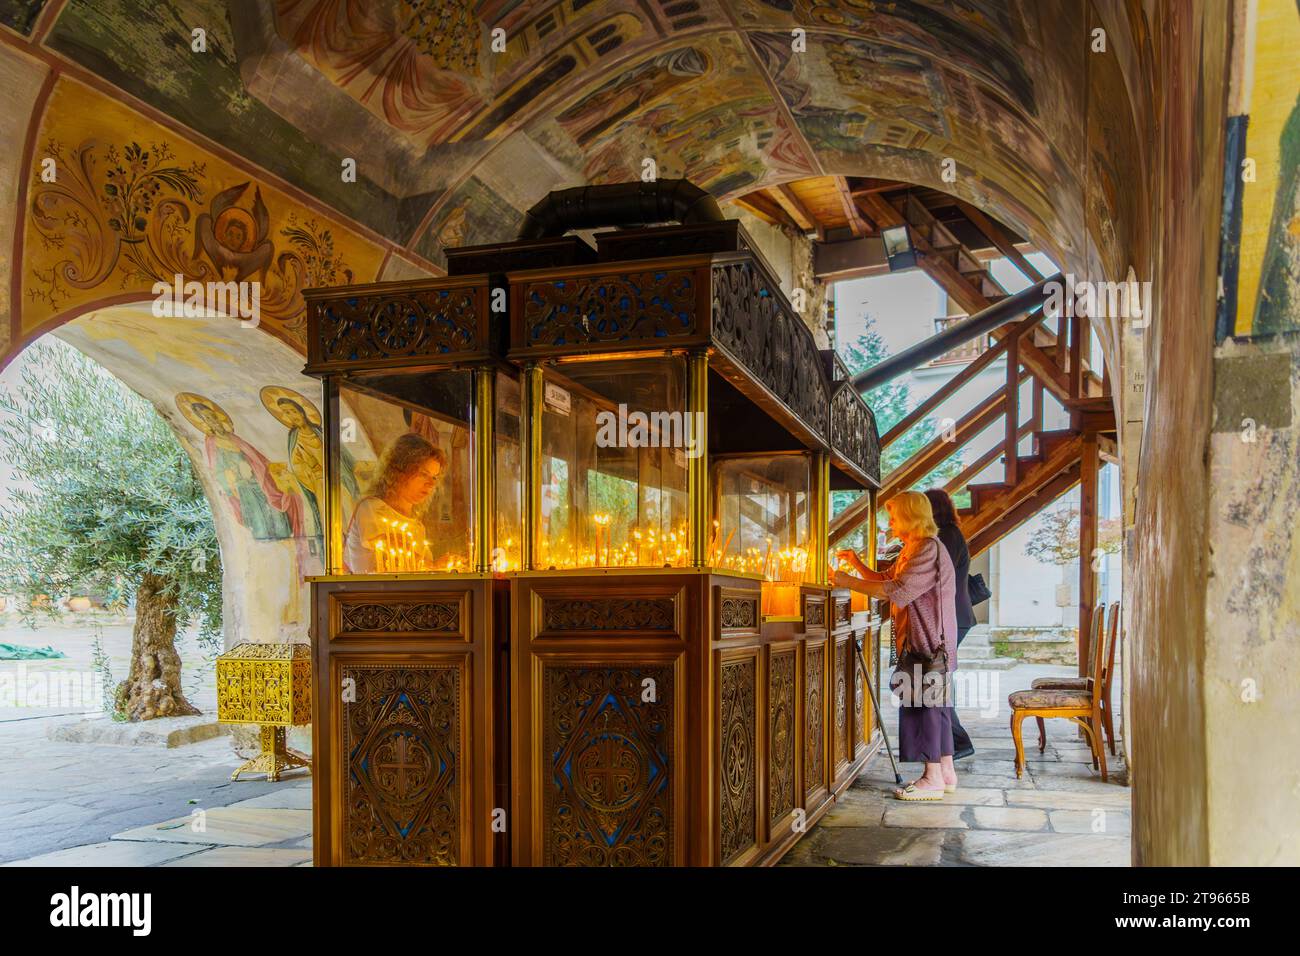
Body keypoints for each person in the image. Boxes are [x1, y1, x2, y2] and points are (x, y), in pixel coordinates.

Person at [834, 491, 958, 800]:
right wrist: (857, 564)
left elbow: (896, 591)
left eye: (893, 516)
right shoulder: (915, 547)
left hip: (928, 642)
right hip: (928, 642)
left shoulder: (927, 549)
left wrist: (845, 581)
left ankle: (931, 779)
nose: (889, 521)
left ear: (909, 517)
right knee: (937, 706)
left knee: (925, 706)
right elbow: (886, 577)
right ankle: (944, 771)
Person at [924, 487, 976, 760]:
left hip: (954, 617)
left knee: (938, 679)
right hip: (954, 616)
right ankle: (953, 740)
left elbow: (934, 576)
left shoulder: (947, 536)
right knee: (940, 679)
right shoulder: (946, 534)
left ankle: (957, 740)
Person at [344, 433, 446, 573]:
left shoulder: (417, 526)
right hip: (372, 593)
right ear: (399, 471)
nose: (431, 484)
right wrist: (432, 565)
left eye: (434, 477)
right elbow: (390, 546)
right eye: (423, 474)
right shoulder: (372, 508)